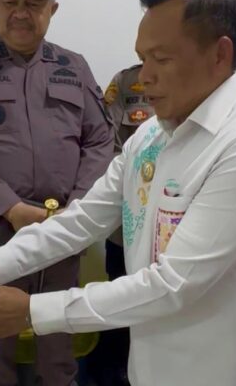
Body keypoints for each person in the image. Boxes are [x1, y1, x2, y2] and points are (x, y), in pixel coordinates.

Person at [0, 0, 236, 384]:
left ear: (220, 54)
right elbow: (82, 220)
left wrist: (31, 312)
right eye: (142, 58)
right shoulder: (152, 135)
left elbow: (173, 285)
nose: (144, 76)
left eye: (161, 59)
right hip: (148, 366)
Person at [0, 0, 114, 384]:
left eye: (32, 4)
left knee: (58, 325)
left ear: (53, 9)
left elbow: (100, 140)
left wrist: (78, 208)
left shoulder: (73, 67)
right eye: (9, 2)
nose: (19, 13)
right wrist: (11, 209)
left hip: (60, 222)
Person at [87, 64, 155, 386]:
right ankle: (112, 369)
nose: (149, 72)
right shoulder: (125, 82)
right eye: (146, 56)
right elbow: (105, 144)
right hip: (126, 223)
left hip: (171, 234)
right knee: (119, 295)